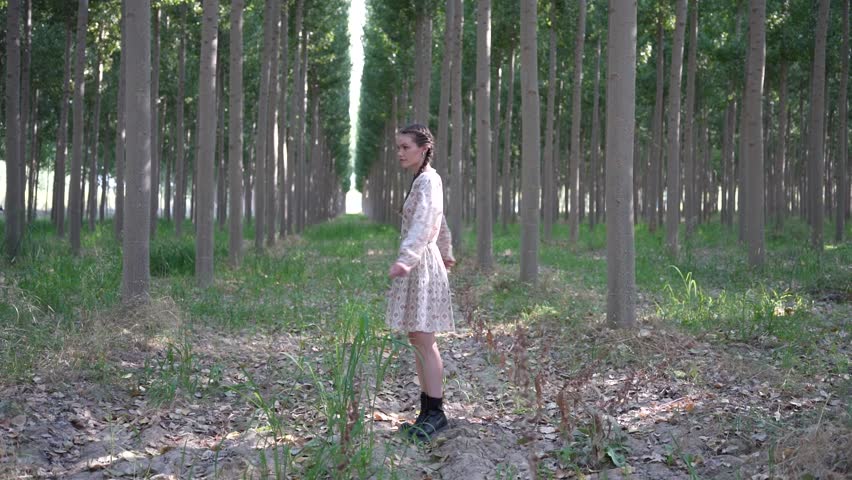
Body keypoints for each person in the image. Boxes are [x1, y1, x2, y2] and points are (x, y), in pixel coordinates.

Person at [387, 123, 455, 442]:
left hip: (421, 264)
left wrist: (406, 258)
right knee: (417, 337)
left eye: (405, 147)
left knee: (425, 340)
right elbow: (438, 221)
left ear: (423, 148)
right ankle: (426, 411)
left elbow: (426, 220)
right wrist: (447, 251)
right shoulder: (423, 179)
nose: (399, 152)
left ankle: (437, 413)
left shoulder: (428, 179)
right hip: (423, 261)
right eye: (398, 147)